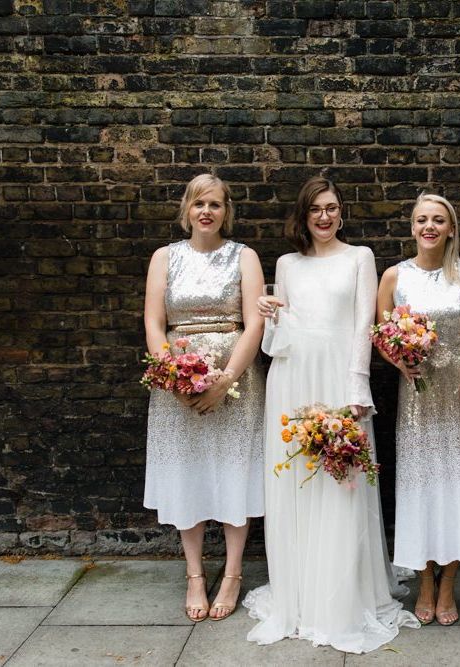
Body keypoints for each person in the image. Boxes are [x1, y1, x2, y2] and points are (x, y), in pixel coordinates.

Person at [243, 176, 419, 653]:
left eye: (332, 208)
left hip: (340, 381)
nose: (324, 216)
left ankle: (341, 597)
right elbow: (278, 341)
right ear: (302, 215)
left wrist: (357, 385)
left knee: (343, 483)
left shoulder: (360, 257)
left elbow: (364, 326)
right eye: (315, 209)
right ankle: (299, 594)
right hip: (293, 382)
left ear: (342, 213)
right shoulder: (286, 264)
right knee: (299, 482)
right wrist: (270, 314)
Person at [143, 173, 266, 622]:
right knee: (186, 473)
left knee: (236, 470)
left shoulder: (244, 257)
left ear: (226, 211)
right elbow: (155, 324)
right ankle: (195, 573)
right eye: (199, 204)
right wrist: (173, 375)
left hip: (236, 380)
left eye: (215, 204)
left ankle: (233, 573)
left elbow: (255, 323)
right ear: (187, 210)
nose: (207, 212)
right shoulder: (165, 258)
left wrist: (225, 378)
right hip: (177, 380)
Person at [376, 193, 460, 626]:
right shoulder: (394, 276)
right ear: (412, 227)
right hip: (420, 397)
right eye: (421, 220)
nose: (429, 227)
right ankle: (425, 579)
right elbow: (380, 334)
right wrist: (400, 358)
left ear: (450, 228)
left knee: (458, 485)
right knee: (422, 486)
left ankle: (448, 582)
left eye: (438, 220)